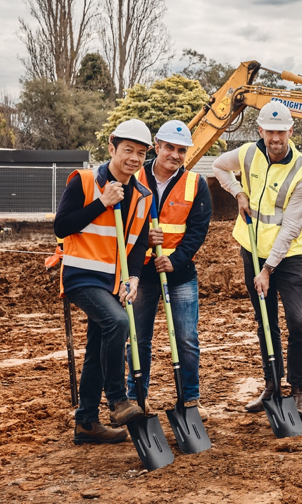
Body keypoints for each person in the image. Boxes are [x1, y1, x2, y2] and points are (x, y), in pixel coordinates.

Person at [212, 100, 302, 418]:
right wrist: (237, 192)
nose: (275, 137)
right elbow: (218, 166)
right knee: (266, 321)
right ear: (260, 130)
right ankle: (272, 385)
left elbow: (289, 229)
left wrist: (268, 269)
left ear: (291, 131)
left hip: (289, 258)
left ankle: (298, 391)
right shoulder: (247, 153)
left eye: (281, 131)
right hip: (252, 249)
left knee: (298, 322)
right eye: (270, 130)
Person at [54, 119, 154, 444]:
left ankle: (86, 423)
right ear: (112, 148)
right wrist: (102, 203)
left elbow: (138, 243)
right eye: (128, 150)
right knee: (117, 321)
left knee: (98, 347)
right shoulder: (83, 182)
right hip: (81, 277)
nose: (134, 158)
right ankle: (117, 400)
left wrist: (135, 277)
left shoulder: (142, 194)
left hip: (114, 283)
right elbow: (62, 226)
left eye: (141, 153)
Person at [126, 120, 212, 421]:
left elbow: (198, 230)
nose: (174, 155)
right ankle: (136, 398)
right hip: (140, 274)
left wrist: (176, 259)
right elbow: (121, 223)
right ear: (157, 145)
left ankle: (189, 399)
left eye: (181, 150)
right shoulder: (133, 177)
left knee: (186, 338)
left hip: (180, 274)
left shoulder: (195, 183)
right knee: (138, 338)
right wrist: (143, 239)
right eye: (169, 148)